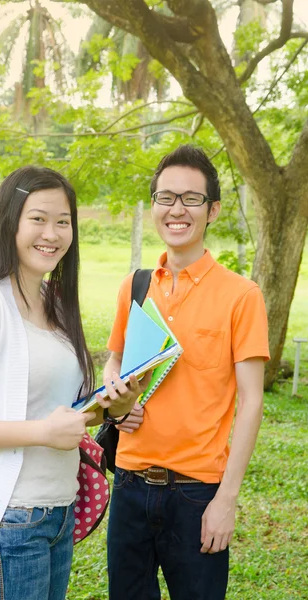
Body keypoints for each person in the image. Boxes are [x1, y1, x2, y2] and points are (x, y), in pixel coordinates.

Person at [0, 166, 147, 600]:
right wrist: (41, 433)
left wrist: (113, 406)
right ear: (10, 222)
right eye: (38, 218)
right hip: (8, 523)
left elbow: (60, 409)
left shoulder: (53, 303)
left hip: (57, 513)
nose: (53, 233)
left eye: (63, 221)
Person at [104, 145, 270, 600]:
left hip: (198, 493)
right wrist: (120, 403)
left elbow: (252, 400)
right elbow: (114, 360)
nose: (177, 209)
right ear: (154, 205)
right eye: (165, 197)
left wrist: (226, 501)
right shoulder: (136, 286)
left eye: (191, 199)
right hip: (130, 484)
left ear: (212, 209)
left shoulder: (241, 294)